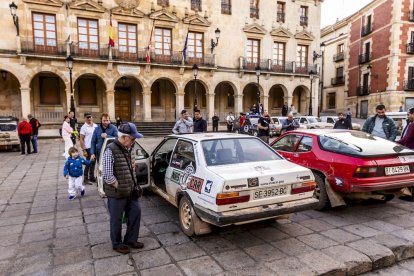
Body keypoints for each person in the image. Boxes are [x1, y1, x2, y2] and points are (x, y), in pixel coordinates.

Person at [102, 122, 144, 254]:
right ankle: (117, 243)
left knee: (136, 212)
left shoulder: (130, 149)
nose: (134, 141)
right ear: (125, 137)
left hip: (130, 190)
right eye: (132, 138)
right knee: (116, 219)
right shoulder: (110, 149)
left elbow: (130, 168)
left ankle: (131, 239)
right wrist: (119, 186)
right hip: (117, 193)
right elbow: (107, 175)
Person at [80, 112, 98, 184]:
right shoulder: (83, 127)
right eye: (87, 117)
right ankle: (85, 179)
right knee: (88, 163)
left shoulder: (96, 126)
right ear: (85, 118)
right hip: (88, 148)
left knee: (93, 163)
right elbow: (81, 139)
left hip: (95, 147)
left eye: (90, 117)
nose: (89, 118)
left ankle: (92, 177)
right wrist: (83, 150)